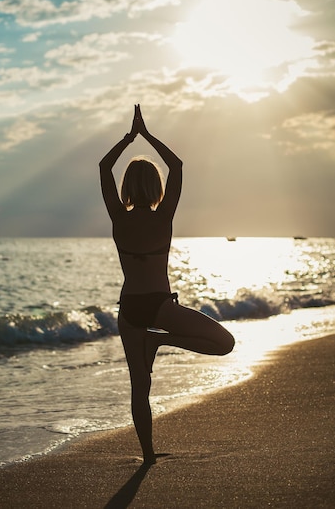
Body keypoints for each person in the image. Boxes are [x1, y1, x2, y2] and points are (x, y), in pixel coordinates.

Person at [99, 105, 235, 465]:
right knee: (225, 343)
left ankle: (147, 455)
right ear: (156, 186)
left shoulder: (117, 216)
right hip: (160, 305)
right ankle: (160, 340)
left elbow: (102, 167)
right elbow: (176, 166)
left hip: (129, 309)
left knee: (139, 388)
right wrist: (146, 136)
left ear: (127, 187)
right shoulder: (164, 217)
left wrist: (128, 139)